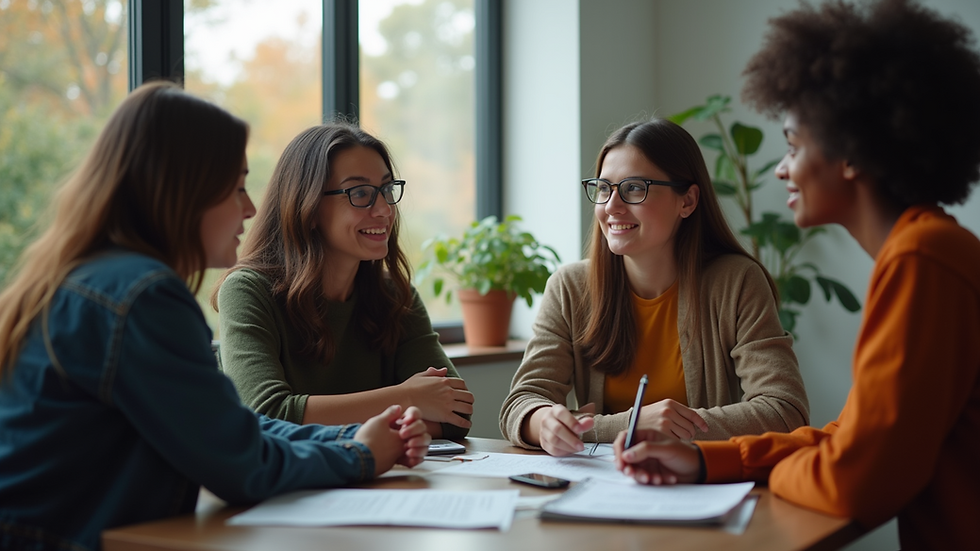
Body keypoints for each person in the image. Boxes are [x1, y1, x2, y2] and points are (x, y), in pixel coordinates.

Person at [0, 82, 430, 551]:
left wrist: (351, 436)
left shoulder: (96, 278)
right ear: (184, 191)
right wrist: (359, 454)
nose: (249, 208)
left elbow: (224, 424)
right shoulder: (144, 296)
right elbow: (241, 465)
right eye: (236, 187)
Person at [613, 1, 980, 549]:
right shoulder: (927, 249)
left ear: (851, 154)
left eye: (793, 145)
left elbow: (858, 478)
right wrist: (706, 461)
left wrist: (765, 474)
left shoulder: (922, 259)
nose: (782, 168)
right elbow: (852, 436)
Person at [499, 118, 810, 456]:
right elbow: (520, 405)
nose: (611, 207)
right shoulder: (570, 287)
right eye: (604, 189)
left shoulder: (737, 281)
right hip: (599, 486)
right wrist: (550, 422)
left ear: (687, 201)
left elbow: (785, 410)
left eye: (634, 188)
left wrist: (663, 428)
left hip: (698, 489)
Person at [213, 123, 474, 439]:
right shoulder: (247, 291)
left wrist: (377, 426)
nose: (383, 210)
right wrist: (406, 399)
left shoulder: (395, 297)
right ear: (306, 206)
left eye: (387, 190)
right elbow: (265, 415)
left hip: (383, 481)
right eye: (360, 193)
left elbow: (455, 412)